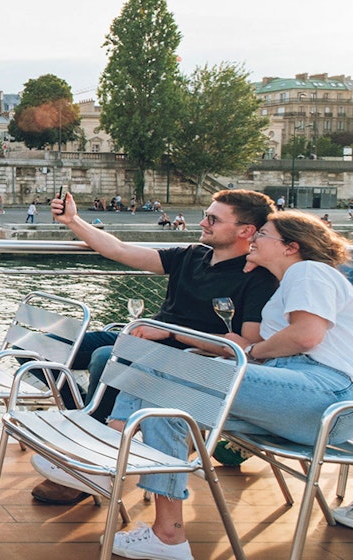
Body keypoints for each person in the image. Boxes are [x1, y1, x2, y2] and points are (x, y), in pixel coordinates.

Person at [92, 211, 353, 558]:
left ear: (292, 247)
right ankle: (168, 536)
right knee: (168, 410)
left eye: (263, 234)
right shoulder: (287, 283)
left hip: (325, 396)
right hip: (291, 394)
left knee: (162, 367)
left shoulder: (309, 270)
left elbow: (306, 336)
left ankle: (108, 456)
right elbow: (251, 345)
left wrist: (250, 351)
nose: (254, 239)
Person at [30, 189, 278, 506]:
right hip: (145, 340)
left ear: (246, 231)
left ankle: (88, 465)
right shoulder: (192, 255)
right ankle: (84, 421)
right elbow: (118, 250)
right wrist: (73, 220)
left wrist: (170, 333)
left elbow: (247, 347)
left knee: (106, 358)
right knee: (41, 345)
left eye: (213, 219)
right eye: (206, 213)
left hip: (187, 360)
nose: (202, 222)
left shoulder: (257, 278)